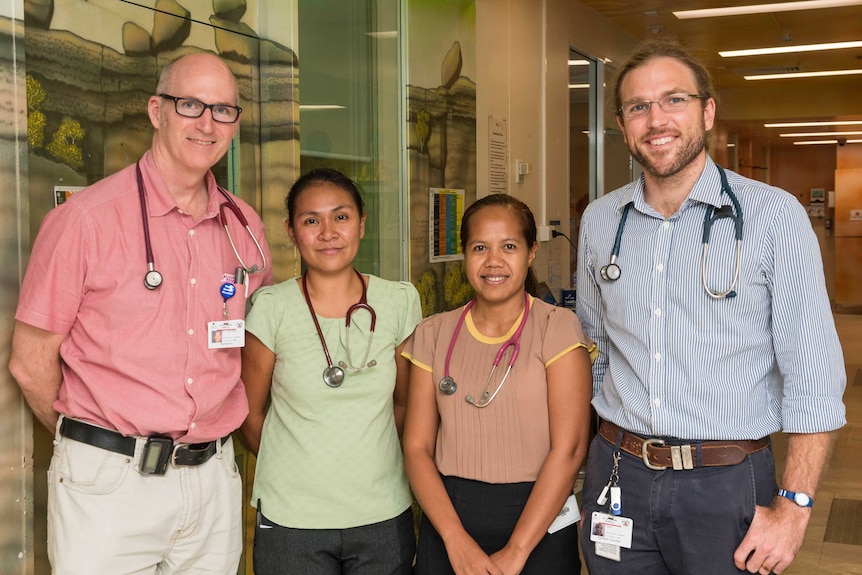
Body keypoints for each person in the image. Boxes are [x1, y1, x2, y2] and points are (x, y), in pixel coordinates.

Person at [576, 38, 846, 575]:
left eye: (674, 99)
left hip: (724, 485)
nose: (657, 119)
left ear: (707, 110)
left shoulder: (773, 217)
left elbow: (813, 375)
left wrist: (794, 509)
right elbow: (596, 349)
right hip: (617, 473)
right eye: (638, 106)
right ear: (623, 124)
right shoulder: (601, 221)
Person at [8, 53, 273, 574]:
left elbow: (249, 344)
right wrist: (98, 440)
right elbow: (30, 362)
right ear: (157, 110)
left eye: (223, 110)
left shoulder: (245, 227)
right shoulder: (85, 220)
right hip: (110, 485)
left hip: (214, 479)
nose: (207, 123)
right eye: (191, 104)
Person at [240, 167, 422, 574]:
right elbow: (250, 415)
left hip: (381, 512)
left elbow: (406, 406)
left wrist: (362, 461)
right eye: (311, 220)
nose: (327, 232)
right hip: (292, 519)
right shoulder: (271, 307)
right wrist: (305, 469)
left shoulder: (397, 302)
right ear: (291, 231)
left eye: (340, 217)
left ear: (362, 223)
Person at [402, 193, 596, 575]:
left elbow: (570, 449)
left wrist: (517, 551)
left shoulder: (556, 329)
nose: (493, 261)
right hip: (450, 518)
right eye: (480, 247)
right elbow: (416, 447)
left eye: (509, 246)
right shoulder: (433, 333)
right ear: (464, 253)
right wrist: (455, 541)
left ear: (531, 252)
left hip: (539, 520)